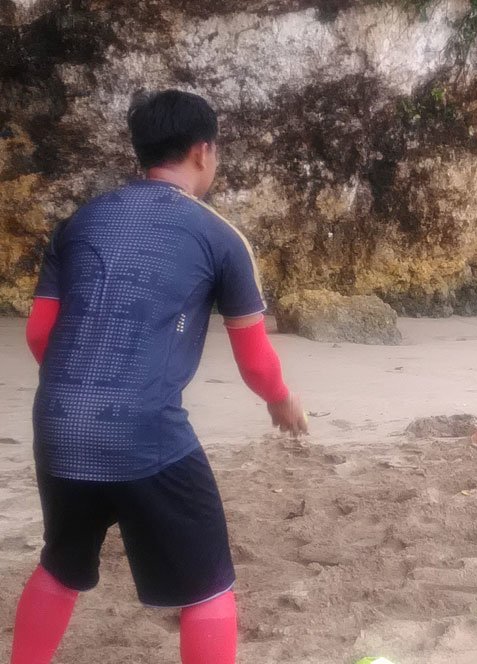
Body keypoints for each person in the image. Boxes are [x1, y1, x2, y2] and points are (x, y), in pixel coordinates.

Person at [13, 89, 308, 664]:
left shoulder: (80, 222)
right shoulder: (220, 236)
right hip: (146, 431)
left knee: (60, 565)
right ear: (203, 152)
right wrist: (281, 400)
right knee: (208, 588)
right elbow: (254, 358)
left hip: (58, 423)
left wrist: (84, 389)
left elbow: (38, 335)